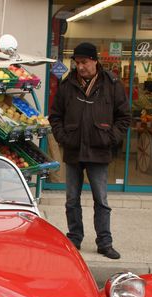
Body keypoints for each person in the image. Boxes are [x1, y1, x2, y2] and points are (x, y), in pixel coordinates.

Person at [48, 42, 131, 259]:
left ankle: (105, 242)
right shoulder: (67, 86)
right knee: (71, 199)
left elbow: (124, 117)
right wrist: (63, 137)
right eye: (77, 62)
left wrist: (110, 138)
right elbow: (55, 116)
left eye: (84, 62)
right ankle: (74, 238)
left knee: (101, 200)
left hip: (99, 151)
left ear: (95, 61)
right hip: (74, 151)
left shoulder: (112, 85)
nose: (80, 67)